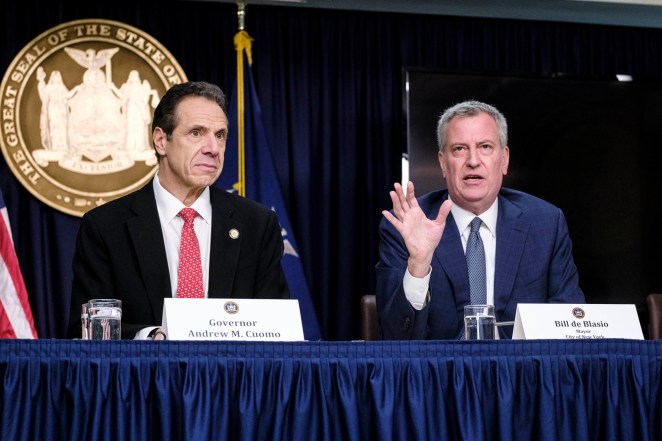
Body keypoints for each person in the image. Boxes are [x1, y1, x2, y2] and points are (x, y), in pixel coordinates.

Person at [67, 81, 289, 340]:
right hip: (143, 378)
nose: (213, 149)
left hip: (232, 379)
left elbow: (277, 329)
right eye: (196, 133)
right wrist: (152, 337)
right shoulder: (105, 227)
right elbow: (88, 332)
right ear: (161, 141)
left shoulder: (257, 225)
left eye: (220, 135)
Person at [375, 100, 585, 340]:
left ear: (504, 159)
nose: (473, 160)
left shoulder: (546, 224)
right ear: (443, 163)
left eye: (485, 147)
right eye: (459, 149)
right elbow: (394, 338)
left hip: (521, 374)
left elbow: (571, 331)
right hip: (440, 375)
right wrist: (419, 265)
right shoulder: (405, 225)